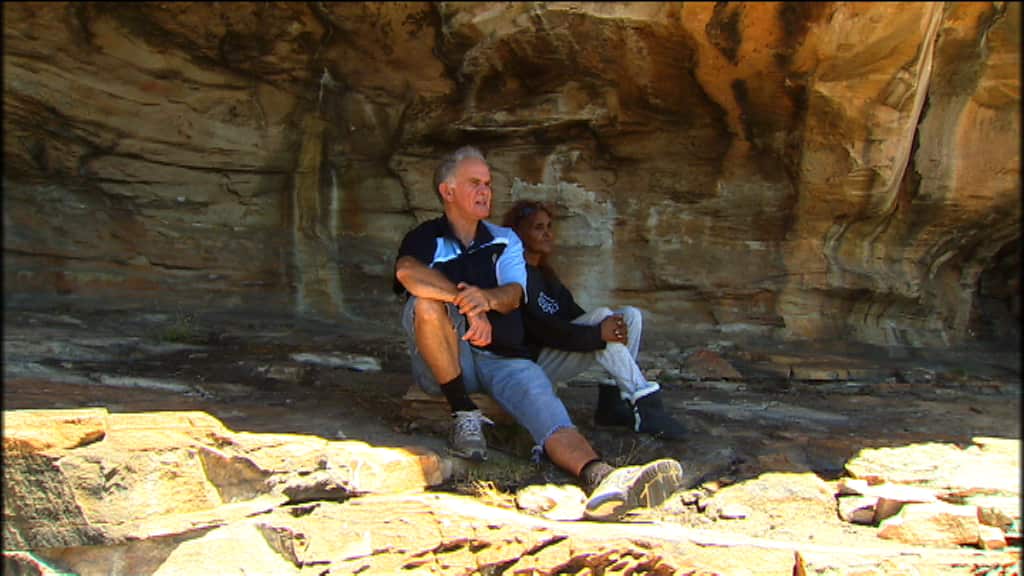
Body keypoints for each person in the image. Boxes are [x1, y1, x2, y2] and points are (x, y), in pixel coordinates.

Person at [393, 146, 684, 521]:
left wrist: (486, 300)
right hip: (451, 359)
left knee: (552, 417)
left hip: (505, 358)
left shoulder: (504, 239)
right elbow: (407, 273)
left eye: (488, 184)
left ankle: (604, 478)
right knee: (424, 304)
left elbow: (514, 294)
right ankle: (463, 412)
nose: (485, 191)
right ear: (448, 191)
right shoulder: (425, 237)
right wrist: (467, 304)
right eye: (474, 183)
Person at [502, 200, 687, 441]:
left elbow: (574, 315)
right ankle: (646, 404)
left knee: (629, 316)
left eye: (549, 226)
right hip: (532, 366)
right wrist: (597, 333)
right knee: (602, 320)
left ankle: (613, 403)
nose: (548, 234)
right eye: (538, 227)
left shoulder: (547, 275)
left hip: (558, 349)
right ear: (518, 233)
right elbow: (543, 330)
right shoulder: (515, 274)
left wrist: (603, 330)